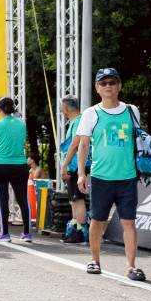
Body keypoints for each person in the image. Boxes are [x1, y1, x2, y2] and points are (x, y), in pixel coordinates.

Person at [75, 68, 145, 281]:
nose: (108, 86)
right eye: (103, 83)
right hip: (101, 177)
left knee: (129, 222)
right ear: (97, 88)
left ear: (119, 86)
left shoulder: (132, 110)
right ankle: (95, 261)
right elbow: (83, 145)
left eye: (112, 82)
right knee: (97, 220)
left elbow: (138, 140)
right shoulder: (90, 113)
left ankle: (131, 266)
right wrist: (81, 174)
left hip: (127, 176)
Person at [0, 97, 32, 243]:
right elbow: (22, 142)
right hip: (20, 165)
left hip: (0, 165)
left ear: (0, 109)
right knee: (23, 199)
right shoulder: (21, 124)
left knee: (2, 199)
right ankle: (27, 233)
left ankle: (5, 233)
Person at [59, 97, 88, 244]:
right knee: (73, 200)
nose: (61, 110)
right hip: (74, 166)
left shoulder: (79, 121)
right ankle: (75, 230)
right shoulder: (75, 121)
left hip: (77, 166)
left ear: (66, 108)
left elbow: (75, 145)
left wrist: (64, 165)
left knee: (78, 200)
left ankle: (81, 233)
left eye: (61, 107)